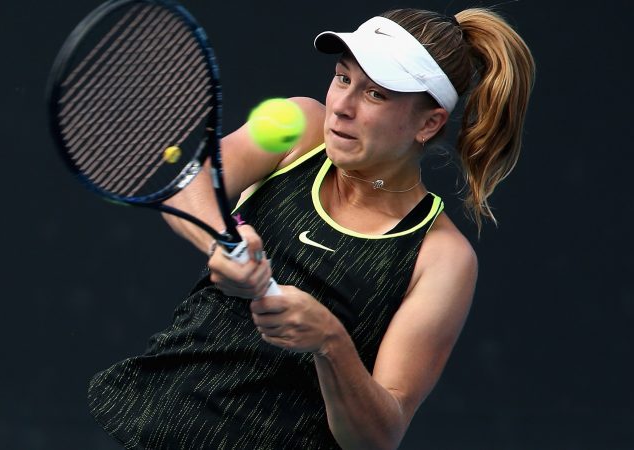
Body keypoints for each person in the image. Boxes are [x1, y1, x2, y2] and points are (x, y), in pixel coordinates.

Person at [88, 7, 534, 450]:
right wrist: (219, 242)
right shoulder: (298, 127)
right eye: (343, 78)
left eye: (375, 95)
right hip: (153, 425)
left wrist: (331, 343)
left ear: (428, 122)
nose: (342, 106)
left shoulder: (443, 260)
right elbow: (188, 182)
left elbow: (379, 435)